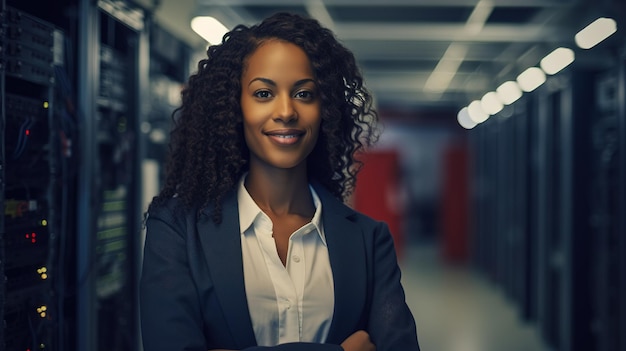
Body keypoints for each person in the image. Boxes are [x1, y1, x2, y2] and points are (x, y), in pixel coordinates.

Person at [140, 12, 420, 351]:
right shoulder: (177, 230)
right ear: (235, 106)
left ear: (325, 110)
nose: (286, 111)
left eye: (304, 94)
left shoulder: (368, 240)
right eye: (263, 94)